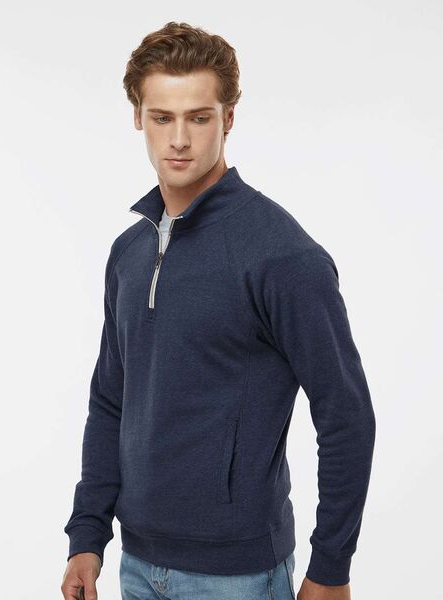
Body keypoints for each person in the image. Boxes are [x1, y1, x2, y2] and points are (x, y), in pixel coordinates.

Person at [61, 21, 376, 600]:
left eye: (199, 117)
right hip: (136, 564)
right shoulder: (130, 253)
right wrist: (87, 535)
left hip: (238, 576)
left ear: (228, 118)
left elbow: (346, 414)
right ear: (138, 118)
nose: (179, 139)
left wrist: (331, 569)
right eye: (162, 117)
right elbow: (110, 399)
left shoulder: (283, 256)